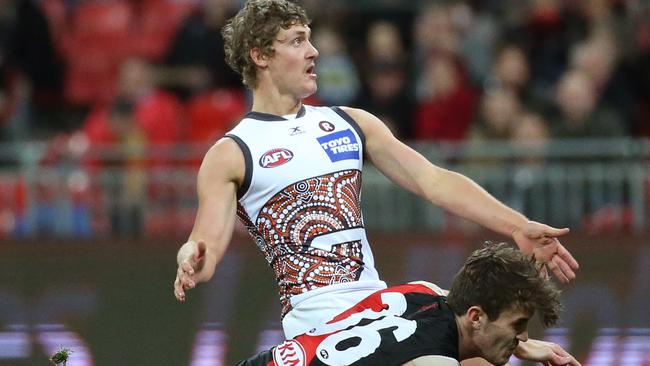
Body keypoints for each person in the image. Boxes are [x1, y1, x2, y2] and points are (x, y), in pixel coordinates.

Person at [173, 0, 579, 341]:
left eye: (311, 38)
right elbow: (205, 245)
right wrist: (192, 257)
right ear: (260, 56)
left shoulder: (351, 122)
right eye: (297, 41)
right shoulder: (232, 152)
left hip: (377, 308)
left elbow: (432, 180)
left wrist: (516, 225)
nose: (314, 51)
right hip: (319, 330)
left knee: (490, 343)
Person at [235, 243, 581, 366]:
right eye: (518, 326)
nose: (521, 336)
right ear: (476, 316)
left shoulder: (423, 291)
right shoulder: (435, 359)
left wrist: (523, 346)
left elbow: (461, 297)